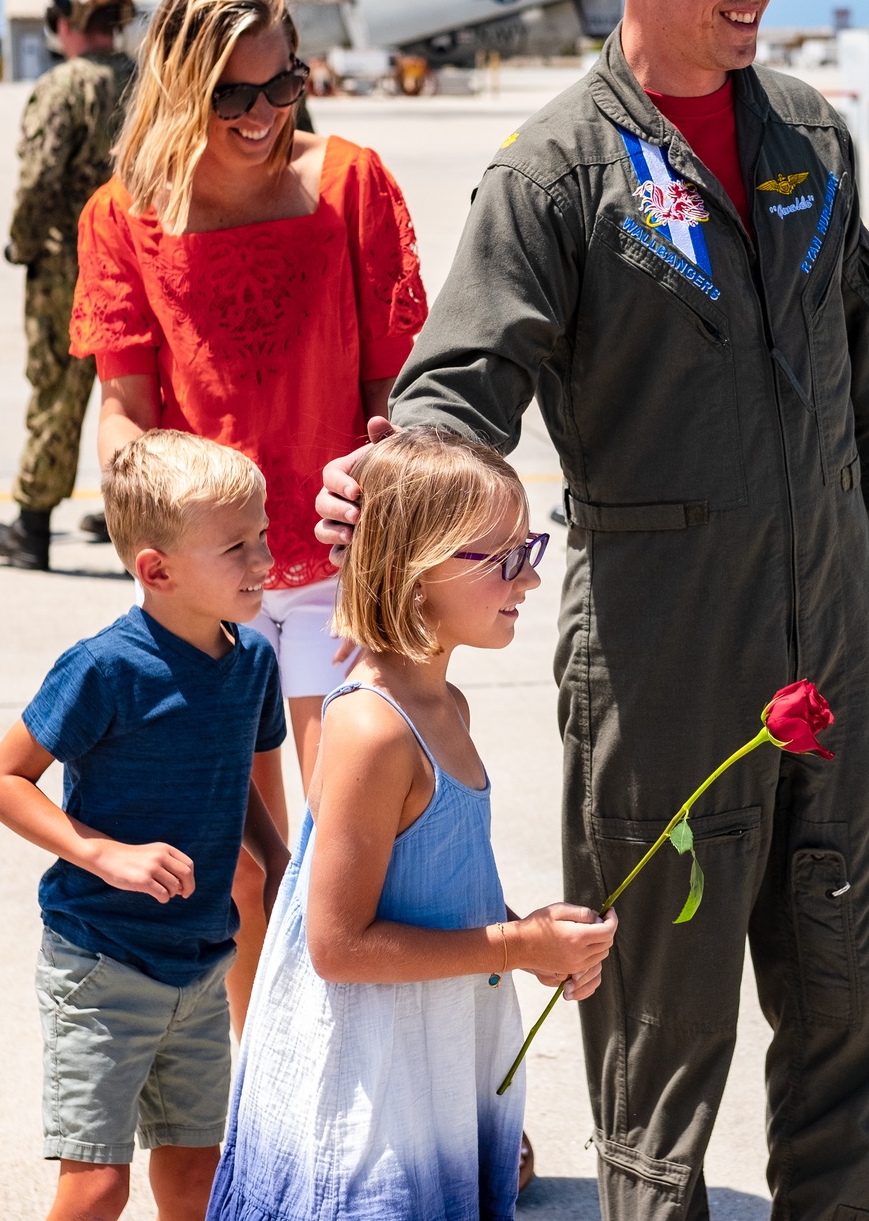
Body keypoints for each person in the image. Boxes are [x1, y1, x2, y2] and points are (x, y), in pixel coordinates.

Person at [316, 0, 869, 1220]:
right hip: (663, 658)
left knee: (866, 1008)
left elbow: (867, 373)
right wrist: (396, 475)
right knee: (660, 1048)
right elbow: (459, 382)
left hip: (838, 652)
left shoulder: (808, 133)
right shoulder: (557, 172)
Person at [67, 0, 427, 1031]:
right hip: (205, 588)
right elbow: (123, 412)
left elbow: (391, 391)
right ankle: (269, 1097)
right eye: (233, 94)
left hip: (334, 572)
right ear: (181, 87)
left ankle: (424, 1102)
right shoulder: (122, 213)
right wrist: (157, 511)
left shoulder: (353, 182)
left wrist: (390, 459)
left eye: (285, 85)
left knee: (365, 853)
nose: (265, 114)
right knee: (240, 871)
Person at [207, 428, 616, 1221]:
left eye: (527, 546)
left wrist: (532, 938)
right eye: (502, 557)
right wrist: (516, 946)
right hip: (366, 1106)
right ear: (412, 572)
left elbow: (434, 891)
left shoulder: (445, 706)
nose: (529, 576)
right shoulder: (373, 729)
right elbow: (338, 946)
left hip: (429, 1069)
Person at [0, 430, 290, 1221]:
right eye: (237, 547)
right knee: (97, 1188)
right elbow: (0, 779)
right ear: (156, 570)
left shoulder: (253, 661)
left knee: (195, 1177)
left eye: (262, 535)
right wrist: (101, 854)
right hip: (102, 964)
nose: (263, 561)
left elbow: (235, 783)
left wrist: (278, 856)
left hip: (200, 965)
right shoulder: (105, 668)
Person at [0, 0, 136, 570]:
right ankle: (143, 516)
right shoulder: (142, 81)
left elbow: (38, 185)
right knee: (138, 396)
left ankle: (32, 527)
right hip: (137, 258)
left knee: (57, 393)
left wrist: (22, 245)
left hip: (67, 268)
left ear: (64, 21)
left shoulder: (62, 87)